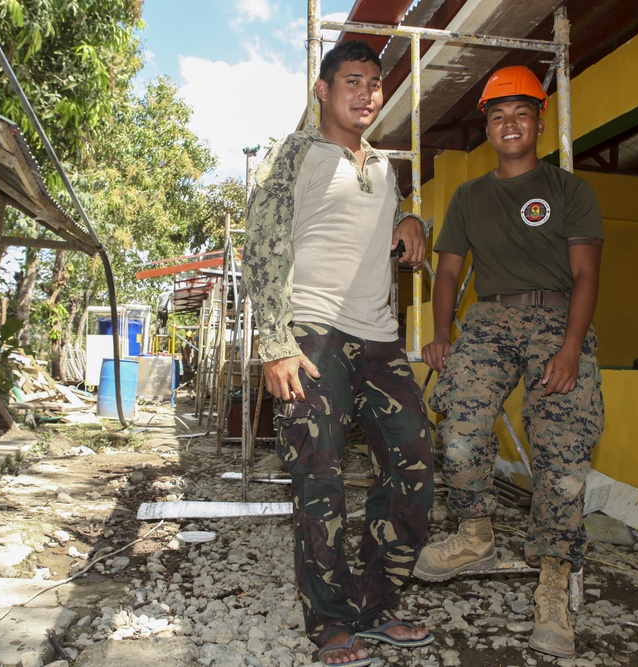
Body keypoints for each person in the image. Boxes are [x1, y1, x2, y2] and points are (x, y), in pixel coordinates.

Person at [242, 40, 436, 667]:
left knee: (413, 463)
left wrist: (412, 220)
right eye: (352, 81)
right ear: (323, 91)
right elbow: (263, 249)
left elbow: (382, 222)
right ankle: (329, 618)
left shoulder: (383, 166)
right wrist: (272, 346)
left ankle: (377, 606)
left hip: (378, 336)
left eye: (375, 84)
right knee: (319, 476)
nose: (367, 94)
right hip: (310, 335)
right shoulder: (291, 153)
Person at [412, 65, 605, 659]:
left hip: (556, 320)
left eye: (521, 113)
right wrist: (441, 334)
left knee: (562, 447)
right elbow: (447, 271)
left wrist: (571, 348)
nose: (509, 124)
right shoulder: (471, 195)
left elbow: (585, 273)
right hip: (490, 320)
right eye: (497, 116)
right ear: (488, 129)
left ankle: (552, 578)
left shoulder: (569, 190)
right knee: (462, 428)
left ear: (539, 122)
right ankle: (476, 535)